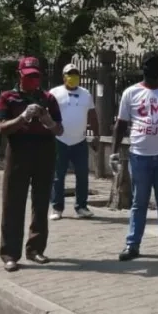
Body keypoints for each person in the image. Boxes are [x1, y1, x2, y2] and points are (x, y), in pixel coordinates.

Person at [111, 51, 158, 261]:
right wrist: (115, 152)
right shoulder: (130, 93)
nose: (153, 68)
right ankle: (132, 245)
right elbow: (121, 124)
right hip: (139, 156)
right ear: (142, 67)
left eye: (157, 64)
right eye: (149, 64)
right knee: (139, 202)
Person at [0, 57, 63, 272]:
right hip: (18, 151)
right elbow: (3, 128)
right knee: (13, 203)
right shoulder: (8, 97)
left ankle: (35, 248)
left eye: (36, 76)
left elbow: (59, 130)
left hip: (44, 150)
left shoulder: (49, 98)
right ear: (20, 75)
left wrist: (48, 121)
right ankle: (9, 253)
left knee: (41, 202)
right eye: (29, 77)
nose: (33, 81)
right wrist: (23, 117)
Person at [49, 64, 100, 221]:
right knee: (58, 175)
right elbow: (46, 115)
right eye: (70, 74)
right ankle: (57, 207)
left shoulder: (85, 94)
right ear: (64, 76)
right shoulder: (54, 93)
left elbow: (92, 115)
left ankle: (82, 207)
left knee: (83, 175)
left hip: (79, 140)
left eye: (76, 74)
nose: (73, 77)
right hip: (60, 140)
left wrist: (97, 136)